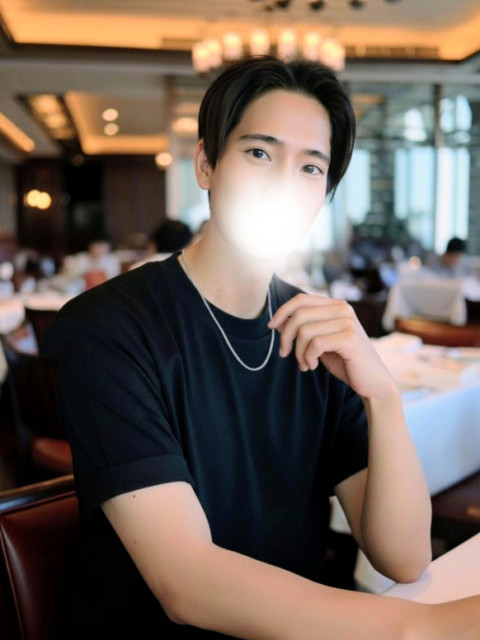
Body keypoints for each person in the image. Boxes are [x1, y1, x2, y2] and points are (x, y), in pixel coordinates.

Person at [42, 55, 480, 639]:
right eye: (259, 153)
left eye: (310, 167)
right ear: (206, 164)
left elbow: (402, 557)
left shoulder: (319, 332)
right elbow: (187, 584)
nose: (283, 184)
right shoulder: (109, 328)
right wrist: (424, 628)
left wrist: (382, 395)